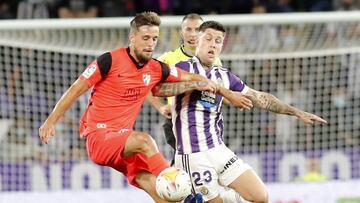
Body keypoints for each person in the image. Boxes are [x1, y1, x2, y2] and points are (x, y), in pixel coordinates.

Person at [39, 11, 219, 203]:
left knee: (147, 178)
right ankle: (180, 187)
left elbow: (187, 76)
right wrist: (50, 121)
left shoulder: (156, 68)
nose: (151, 44)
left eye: (155, 39)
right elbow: (75, 90)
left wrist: (204, 82)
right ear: (132, 38)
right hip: (99, 137)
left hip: (123, 141)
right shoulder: (109, 60)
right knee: (145, 141)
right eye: (146, 38)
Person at [155, 21, 327, 203]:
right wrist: (195, 84)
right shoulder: (184, 67)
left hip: (219, 150)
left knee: (260, 196)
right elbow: (159, 89)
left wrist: (298, 113)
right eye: (209, 38)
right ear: (198, 40)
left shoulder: (224, 75)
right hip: (194, 155)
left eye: (219, 41)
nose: (213, 44)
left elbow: (259, 97)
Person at [147, 13, 222, 165]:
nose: (193, 34)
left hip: (206, 123)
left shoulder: (214, 60)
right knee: (191, 165)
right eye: (188, 29)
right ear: (182, 33)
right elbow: (146, 83)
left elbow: (219, 93)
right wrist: (160, 107)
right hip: (178, 121)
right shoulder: (168, 59)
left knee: (193, 168)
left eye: (197, 29)